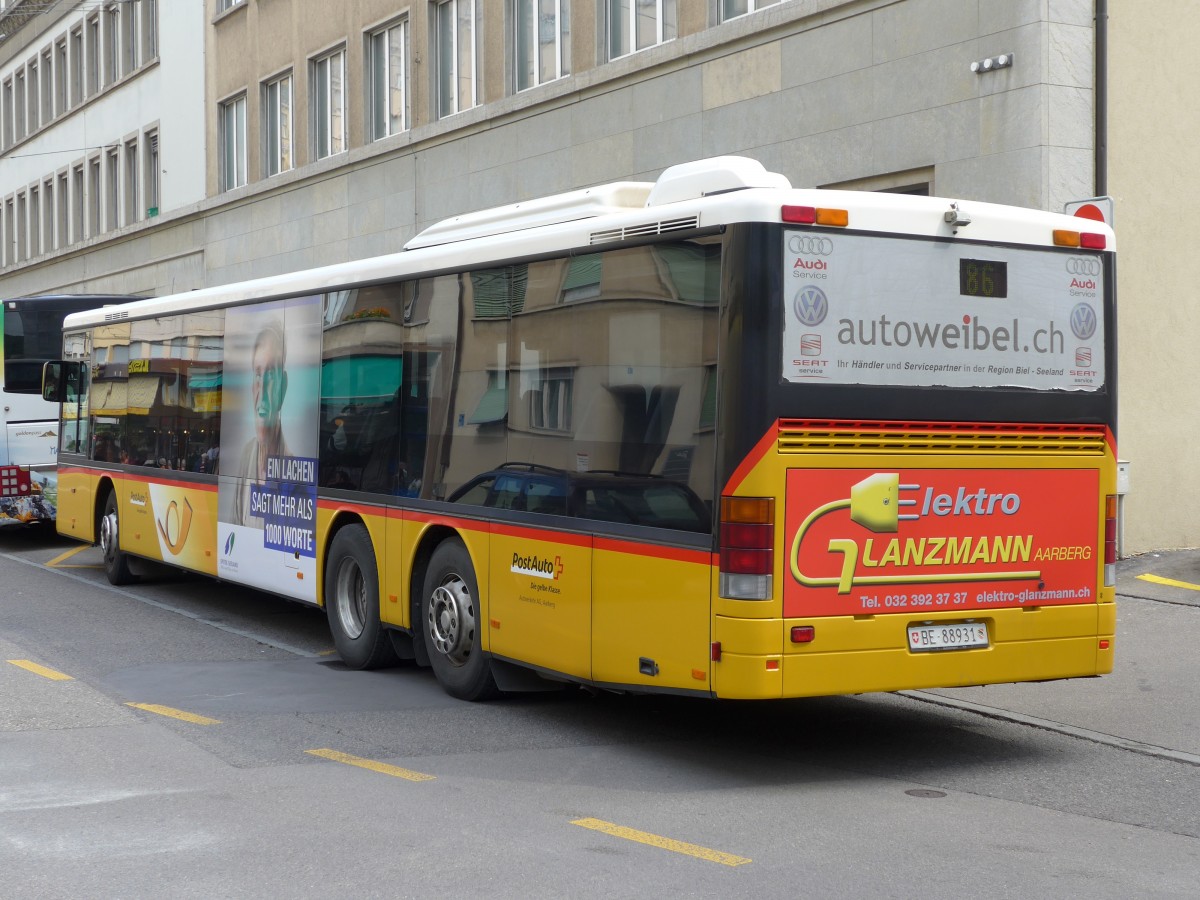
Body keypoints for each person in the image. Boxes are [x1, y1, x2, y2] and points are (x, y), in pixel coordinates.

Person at [232, 319, 290, 527]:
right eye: (258, 374)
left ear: (283, 389)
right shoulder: (246, 455)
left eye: (271, 374)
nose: (262, 388)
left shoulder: (295, 467)